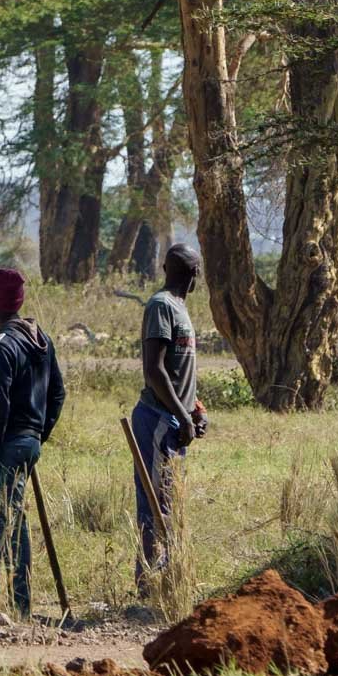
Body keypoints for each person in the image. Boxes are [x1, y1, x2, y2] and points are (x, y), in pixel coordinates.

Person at [0, 267, 65, 617]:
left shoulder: (1, 345)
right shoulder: (41, 339)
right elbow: (57, 394)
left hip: (8, 446)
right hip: (29, 442)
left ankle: (10, 603)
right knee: (1, 519)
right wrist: (39, 434)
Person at [130, 243, 207, 592]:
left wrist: (195, 411)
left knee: (169, 501)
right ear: (195, 275)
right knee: (155, 503)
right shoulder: (162, 306)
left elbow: (178, 373)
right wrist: (181, 415)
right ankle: (150, 583)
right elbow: (155, 372)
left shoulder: (179, 308)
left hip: (175, 420)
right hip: (158, 419)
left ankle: (167, 581)